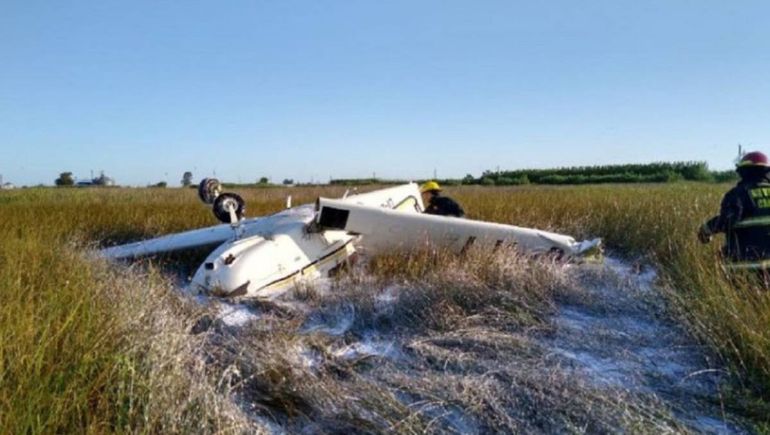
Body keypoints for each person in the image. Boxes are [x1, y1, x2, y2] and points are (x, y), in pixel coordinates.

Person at [699, 151, 770, 270]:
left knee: (718, 259)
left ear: (744, 171)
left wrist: (706, 230)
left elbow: (727, 220)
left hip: (744, 268)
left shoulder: (738, 194)